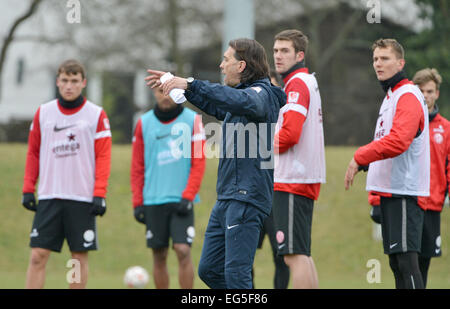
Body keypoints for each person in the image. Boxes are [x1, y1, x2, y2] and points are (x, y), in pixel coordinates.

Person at [145, 38, 286, 289]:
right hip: (227, 198)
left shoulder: (262, 95)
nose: (221, 65)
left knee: (236, 275)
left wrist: (189, 82)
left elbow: (238, 101)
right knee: (209, 270)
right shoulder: (240, 99)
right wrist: (181, 88)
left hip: (247, 197)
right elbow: (215, 103)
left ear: (241, 65)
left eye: (226, 59)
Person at [345, 39, 430, 289]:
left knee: (407, 262)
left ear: (400, 63)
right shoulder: (391, 96)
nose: (378, 64)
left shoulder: (407, 95)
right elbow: (387, 145)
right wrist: (366, 166)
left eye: (385, 58)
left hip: (405, 191)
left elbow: (398, 141)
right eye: (375, 59)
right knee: (396, 263)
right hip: (391, 192)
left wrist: (360, 156)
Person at [22, 59, 112, 289]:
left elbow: (103, 157)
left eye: (74, 81)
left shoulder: (96, 114)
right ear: (57, 82)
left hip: (81, 198)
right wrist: (27, 188)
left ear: (83, 83)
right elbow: (33, 153)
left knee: (78, 260)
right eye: (64, 80)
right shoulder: (44, 113)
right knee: (37, 256)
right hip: (49, 196)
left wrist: (99, 193)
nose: (69, 86)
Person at [368, 68, 448, 288]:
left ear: (437, 93)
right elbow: (384, 155)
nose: (425, 95)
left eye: (430, 91)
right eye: (421, 90)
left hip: (431, 205)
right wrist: (375, 200)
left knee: (421, 265)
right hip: (406, 198)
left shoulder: (446, 129)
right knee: (402, 262)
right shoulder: (403, 120)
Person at [130, 83, 206, 289]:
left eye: (170, 91)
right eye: (160, 91)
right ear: (153, 93)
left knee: (183, 250)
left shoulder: (192, 120)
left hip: (181, 199)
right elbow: (137, 166)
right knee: (159, 254)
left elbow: (198, 161)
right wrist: (138, 201)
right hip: (153, 198)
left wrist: (188, 195)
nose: (165, 96)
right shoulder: (143, 123)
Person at [271, 29, 325, 289]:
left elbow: (290, 134)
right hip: (304, 177)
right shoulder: (307, 81)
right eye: (276, 50)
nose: (278, 56)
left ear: (300, 55)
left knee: (293, 255)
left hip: (293, 178)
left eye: (285, 51)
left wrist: (263, 147)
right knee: (302, 253)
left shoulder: (297, 84)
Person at [252, 69, 290, 289]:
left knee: (281, 254)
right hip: (256, 191)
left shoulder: (287, 118)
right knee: (245, 252)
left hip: (278, 194)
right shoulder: (253, 116)